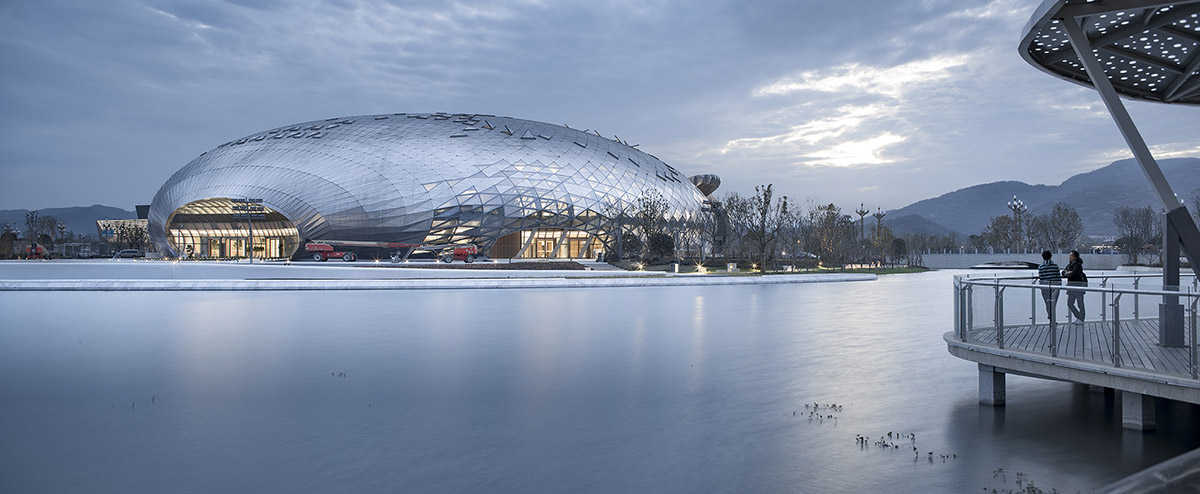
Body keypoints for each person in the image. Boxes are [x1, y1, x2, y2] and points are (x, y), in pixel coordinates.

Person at [1062, 250, 1087, 324]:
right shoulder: (1069, 265)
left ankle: (1081, 319)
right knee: (1070, 303)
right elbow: (1063, 272)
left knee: (1080, 303)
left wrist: (1068, 272)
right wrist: (1067, 272)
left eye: (1071, 255)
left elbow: (1073, 274)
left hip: (1078, 286)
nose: (1069, 257)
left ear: (1075, 257)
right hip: (1071, 287)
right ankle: (1079, 317)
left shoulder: (1078, 265)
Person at [1037, 251, 1062, 321]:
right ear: (1051, 256)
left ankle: (1051, 317)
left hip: (1045, 288)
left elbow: (1041, 278)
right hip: (1055, 287)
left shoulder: (1041, 267)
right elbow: (1058, 277)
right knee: (1053, 303)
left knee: (1048, 303)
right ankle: (1052, 318)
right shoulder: (1055, 266)